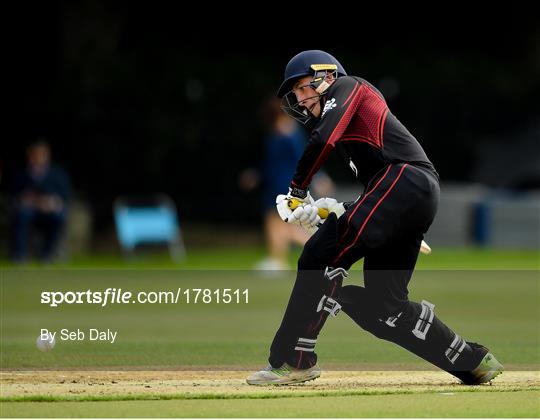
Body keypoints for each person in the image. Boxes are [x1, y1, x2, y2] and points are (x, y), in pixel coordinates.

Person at [247, 50, 503, 385]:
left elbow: (323, 139)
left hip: (407, 182)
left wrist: (296, 191)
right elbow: (378, 184)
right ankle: (473, 362)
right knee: (386, 310)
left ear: (326, 76)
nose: (299, 98)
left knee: (320, 254)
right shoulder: (353, 136)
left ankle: (294, 360)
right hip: (409, 194)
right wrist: (386, 218)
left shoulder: (349, 86)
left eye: (302, 88)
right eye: (295, 94)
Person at [239, 95, 334, 271]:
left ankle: (322, 252)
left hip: (287, 184)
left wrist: (319, 176)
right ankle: (278, 260)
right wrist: (256, 175)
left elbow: (305, 157)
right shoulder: (276, 132)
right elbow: (269, 162)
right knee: (276, 223)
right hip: (274, 183)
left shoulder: (290, 132)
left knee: (284, 225)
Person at [9, 139, 71, 263]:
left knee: (58, 218)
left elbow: (65, 195)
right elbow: (13, 194)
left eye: (41, 154)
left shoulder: (57, 174)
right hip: (28, 211)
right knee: (22, 216)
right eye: (35, 154)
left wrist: (52, 202)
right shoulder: (21, 174)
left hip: (49, 211)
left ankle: (47, 254)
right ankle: (20, 254)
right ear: (30, 155)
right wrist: (27, 200)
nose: (38, 157)